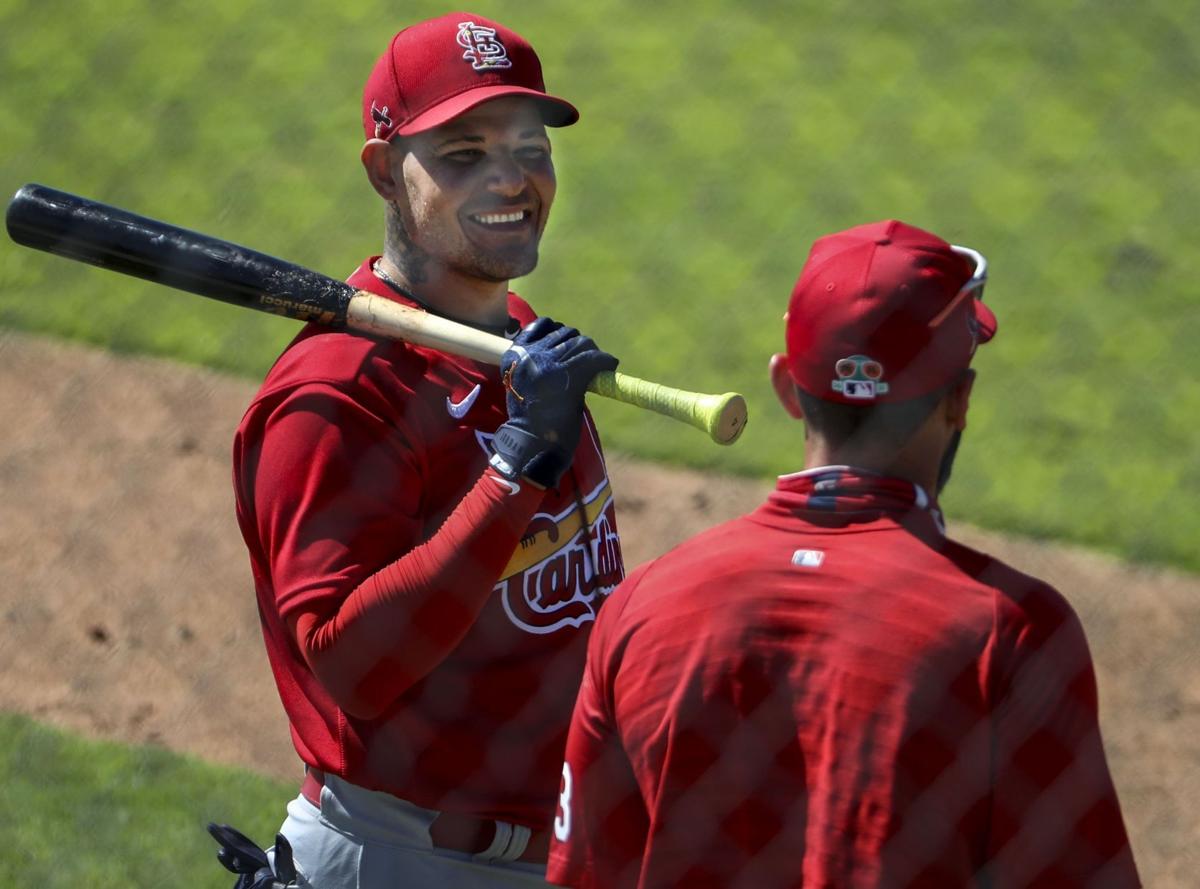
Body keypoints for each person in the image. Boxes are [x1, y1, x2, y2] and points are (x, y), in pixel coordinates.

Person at [546, 221, 1141, 888]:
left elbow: (586, 872)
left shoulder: (643, 607)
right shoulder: (1009, 629)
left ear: (785, 387)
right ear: (961, 399)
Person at [219, 12, 625, 888]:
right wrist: (515, 467)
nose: (512, 179)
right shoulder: (337, 397)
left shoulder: (522, 343)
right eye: (464, 153)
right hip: (409, 857)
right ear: (383, 171)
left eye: (529, 147)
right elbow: (352, 667)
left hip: (560, 848)